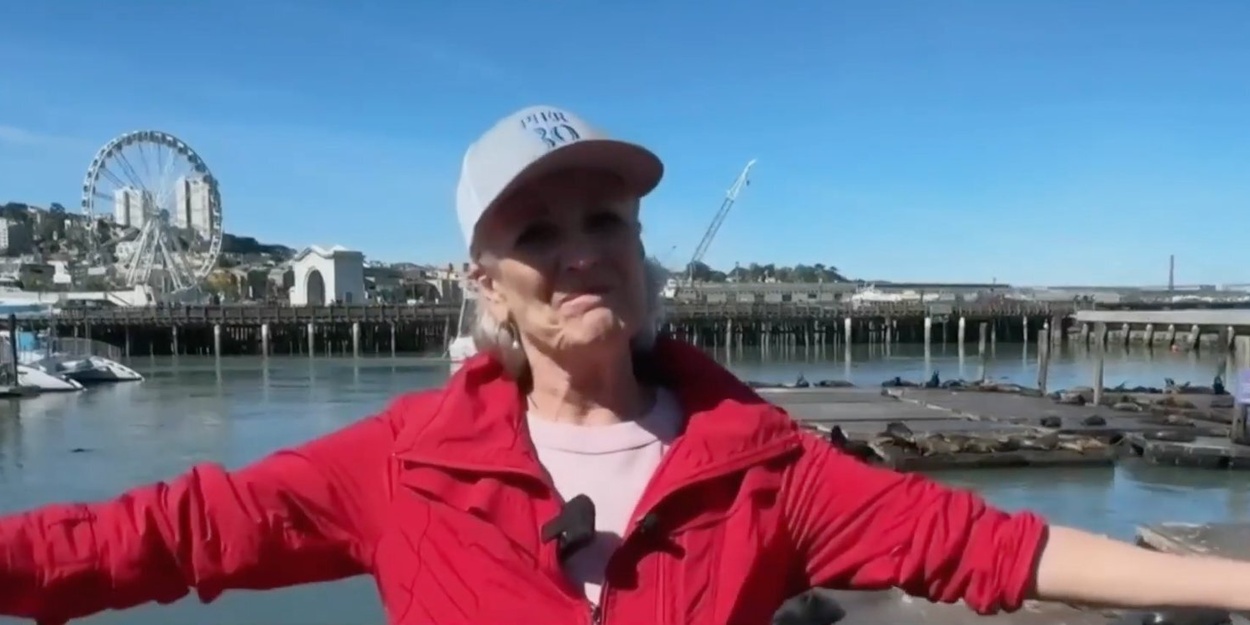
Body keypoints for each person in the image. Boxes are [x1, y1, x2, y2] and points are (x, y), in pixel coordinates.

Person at [1, 106, 1249, 625]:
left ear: (646, 252)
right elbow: (165, 536)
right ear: (483, 285)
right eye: (535, 232)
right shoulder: (399, 465)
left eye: (607, 221)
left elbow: (990, 549)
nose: (581, 252)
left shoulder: (764, 463)